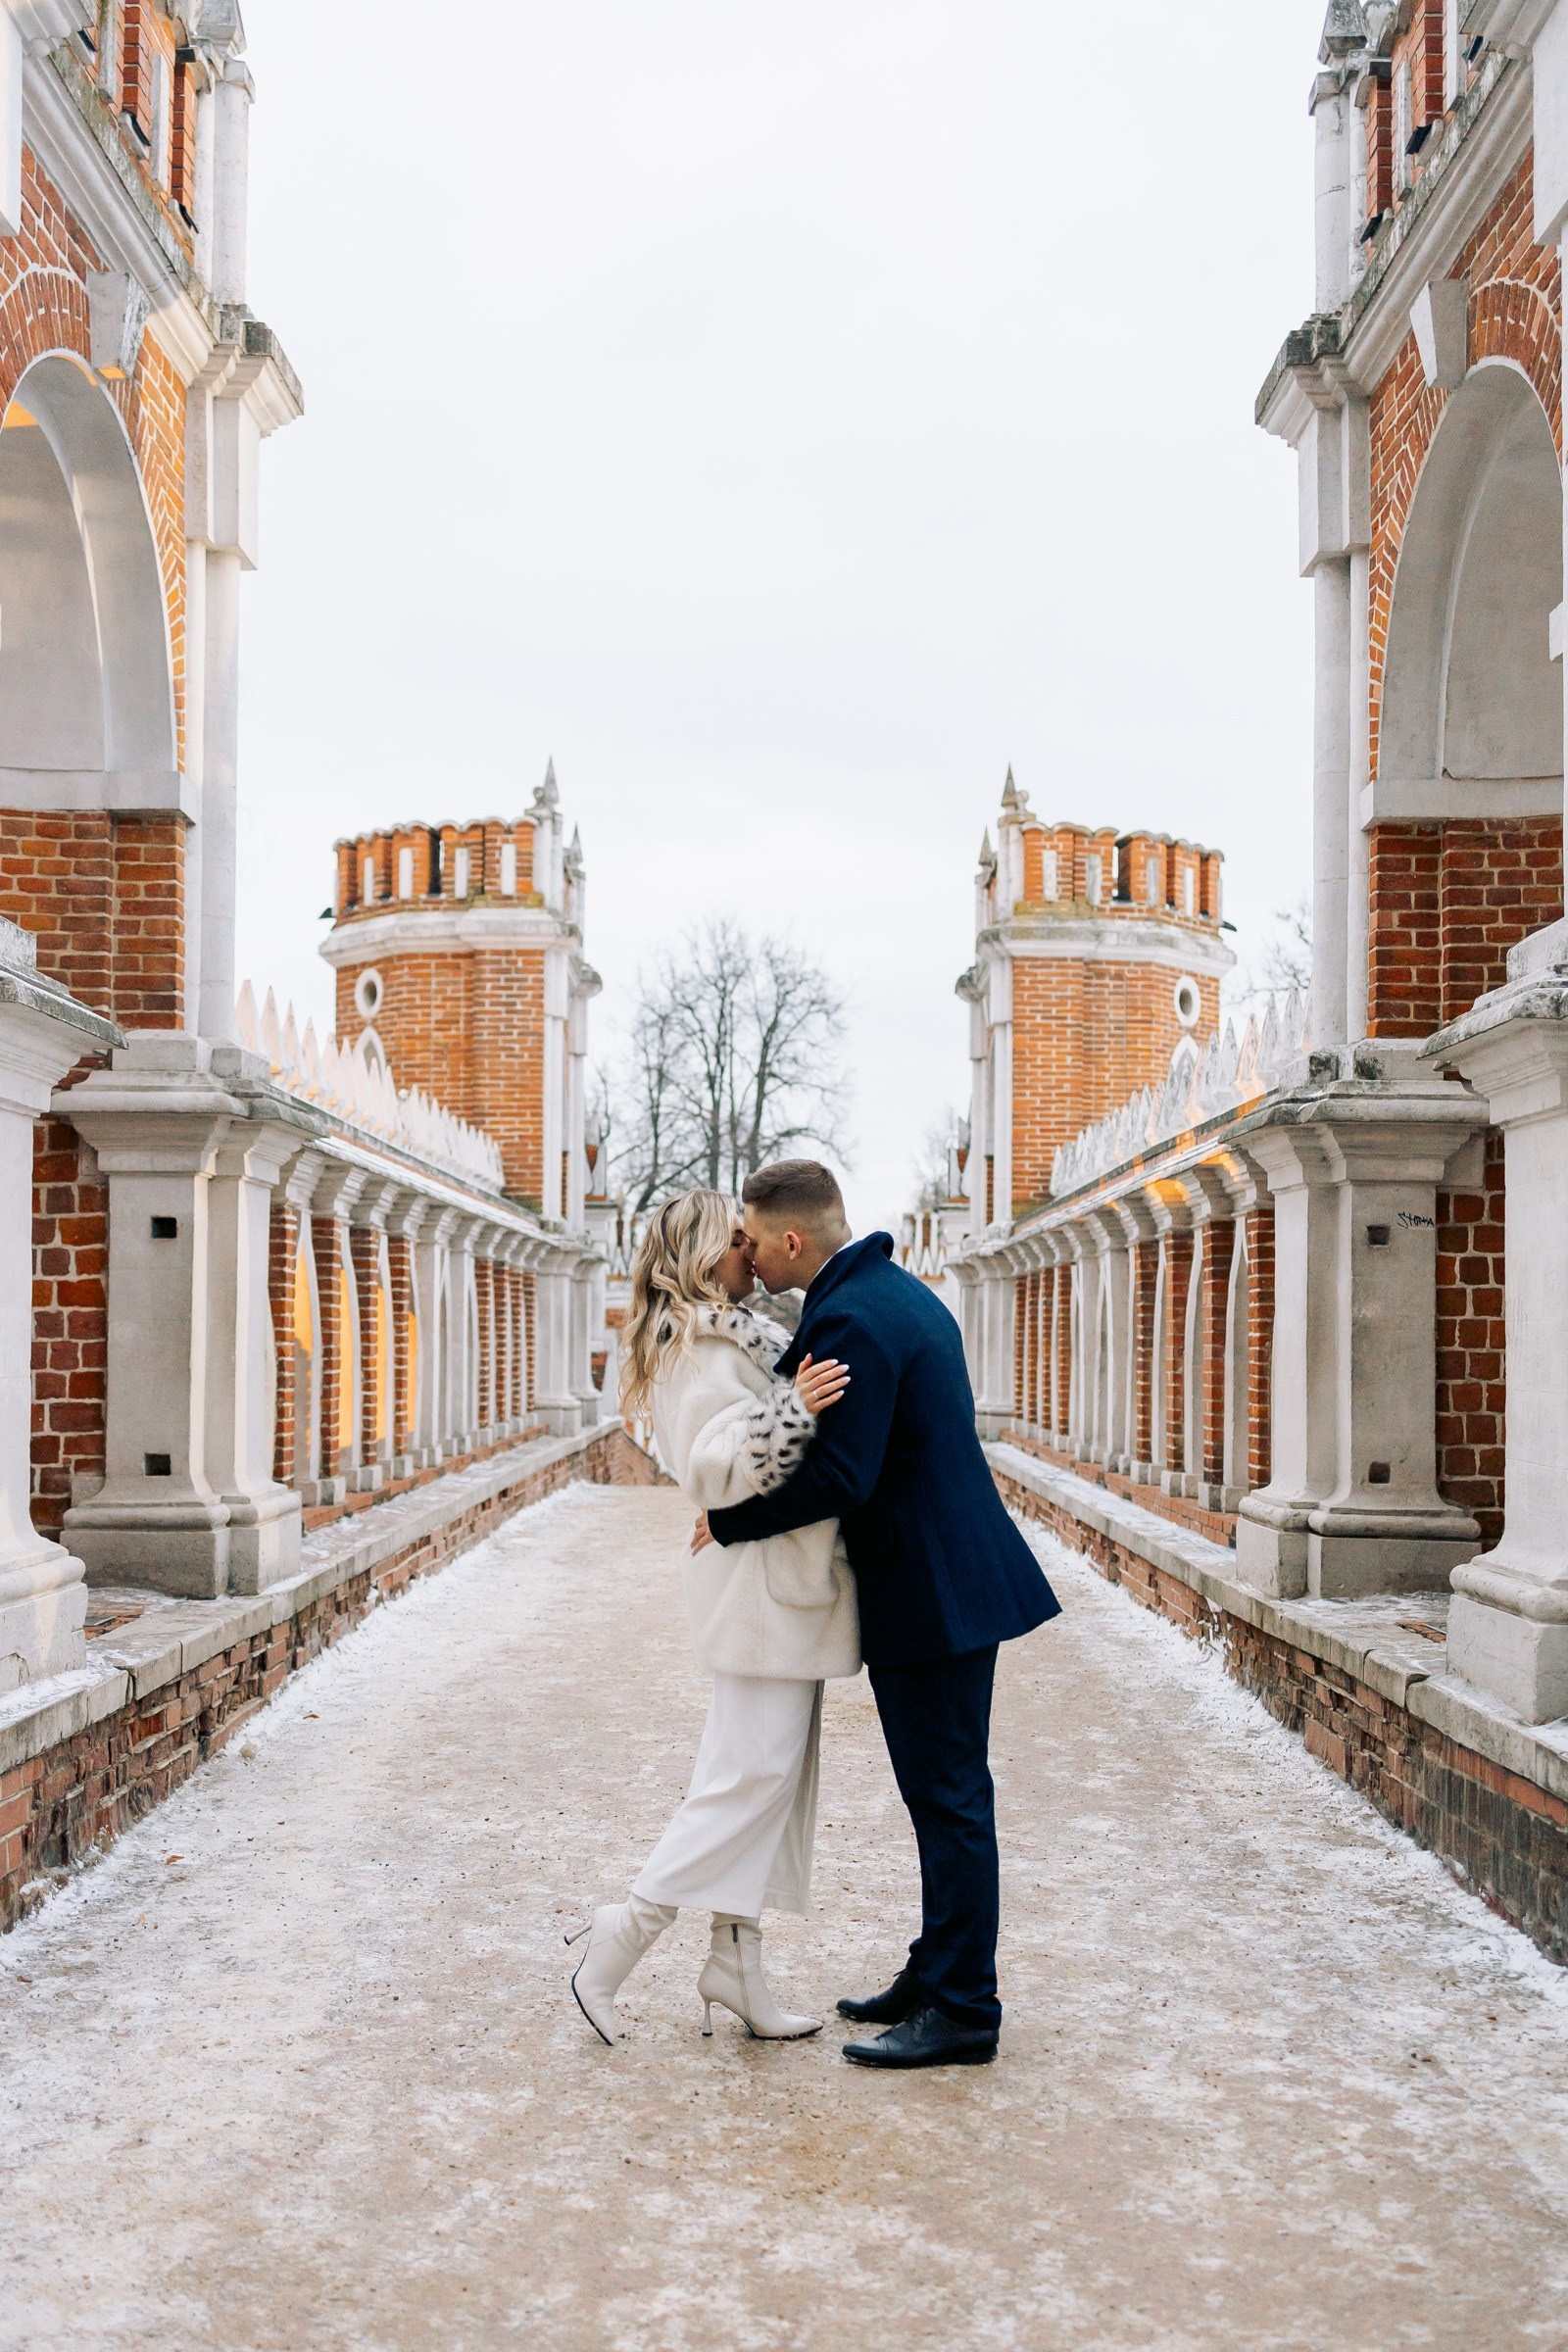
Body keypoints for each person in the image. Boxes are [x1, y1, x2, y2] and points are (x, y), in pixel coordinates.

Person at [694, 1159, 1059, 2071]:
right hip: (945, 1582)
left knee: (950, 1800)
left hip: (931, 1592)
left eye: (752, 1238)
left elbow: (840, 1477)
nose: (748, 1253)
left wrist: (728, 1520)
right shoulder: (893, 1292)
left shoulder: (855, 1315)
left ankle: (966, 2007)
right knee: (945, 1792)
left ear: (790, 1239)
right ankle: (936, 1970)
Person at [567, 1187, 861, 2045]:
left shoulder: (730, 1334)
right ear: (703, 1256)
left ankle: (736, 1960)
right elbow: (712, 1469)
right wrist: (795, 1406)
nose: (752, 1249)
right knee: (749, 1781)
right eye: (737, 1239)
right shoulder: (696, 1343)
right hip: (759, 1591)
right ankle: (617, 1940)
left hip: (775, 1584)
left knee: (763, 1777)